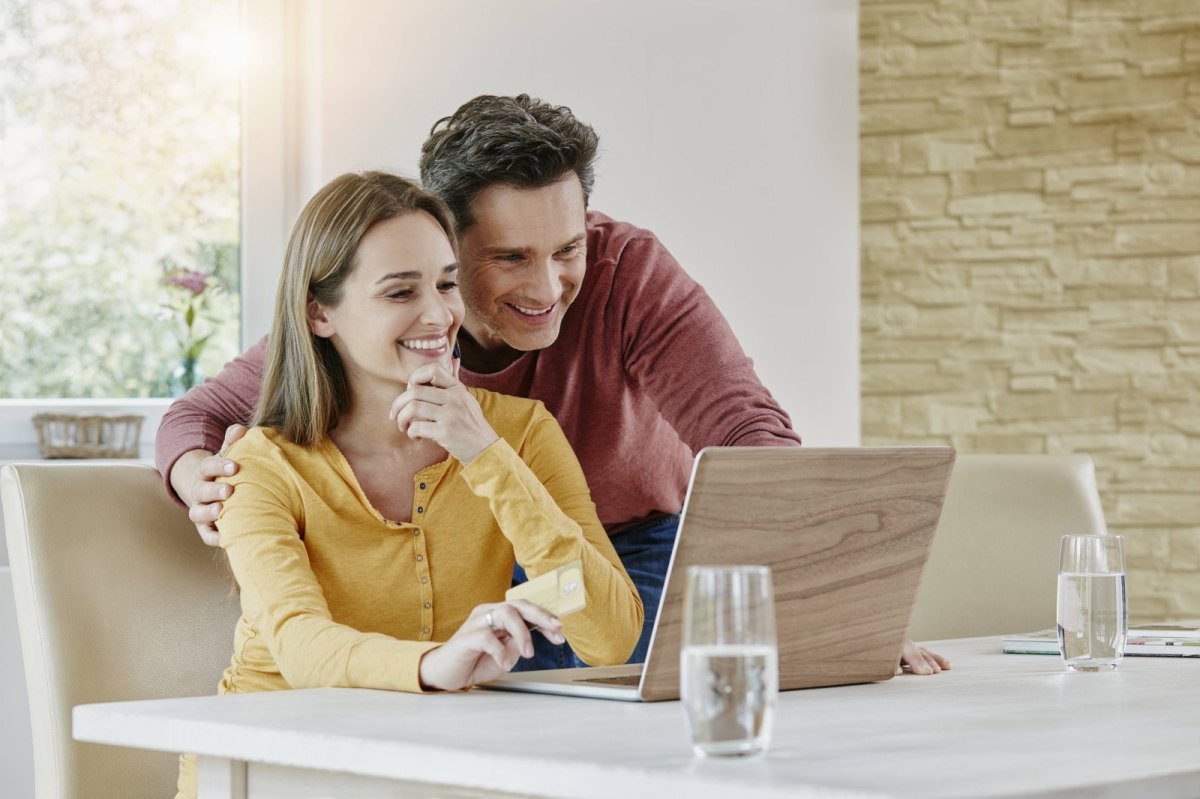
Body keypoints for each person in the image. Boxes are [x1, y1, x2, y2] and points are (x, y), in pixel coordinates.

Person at [157, 94, 947, 676]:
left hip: (623, 541)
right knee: (503, 674)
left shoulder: (614, 291)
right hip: (480, 554)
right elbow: (205, 414)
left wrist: (833, 618)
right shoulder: (369, 313)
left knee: (659, 663)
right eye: (509, 259)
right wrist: (197, 473)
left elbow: (750, 438)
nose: (547, 286)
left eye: (567, 248)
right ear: (446, 237)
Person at [173, 171, 642, 798]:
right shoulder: (261, 465)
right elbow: (299, 645)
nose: (440, 314)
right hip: (267, 765)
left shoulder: (519, 435)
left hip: (427, 766)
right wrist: (433, 665)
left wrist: (484, 454)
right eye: (400, 292)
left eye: (447, 284)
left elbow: (608, 638)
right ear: (320, 312)